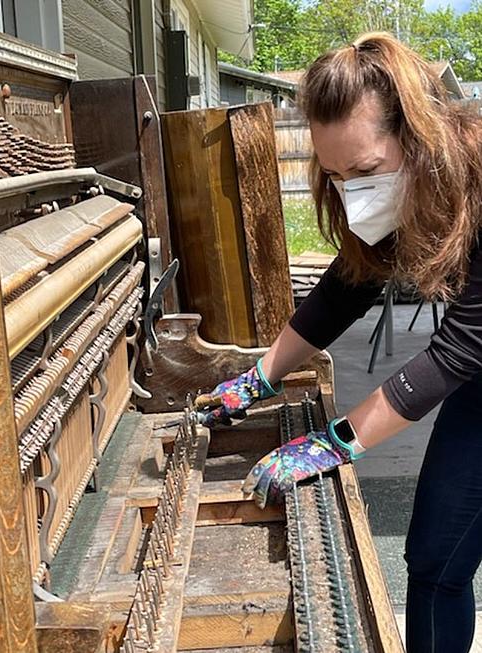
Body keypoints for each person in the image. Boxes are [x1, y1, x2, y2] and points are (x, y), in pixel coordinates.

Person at [193, 32, 482, 651]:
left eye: (366, 171)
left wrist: (332, 442)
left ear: (417, 136)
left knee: (441, 554)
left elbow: (458, 351)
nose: (353, 189)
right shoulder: (402, 189)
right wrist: (259, 377)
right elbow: (345, 288)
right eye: (335, 174)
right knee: (434, 559)